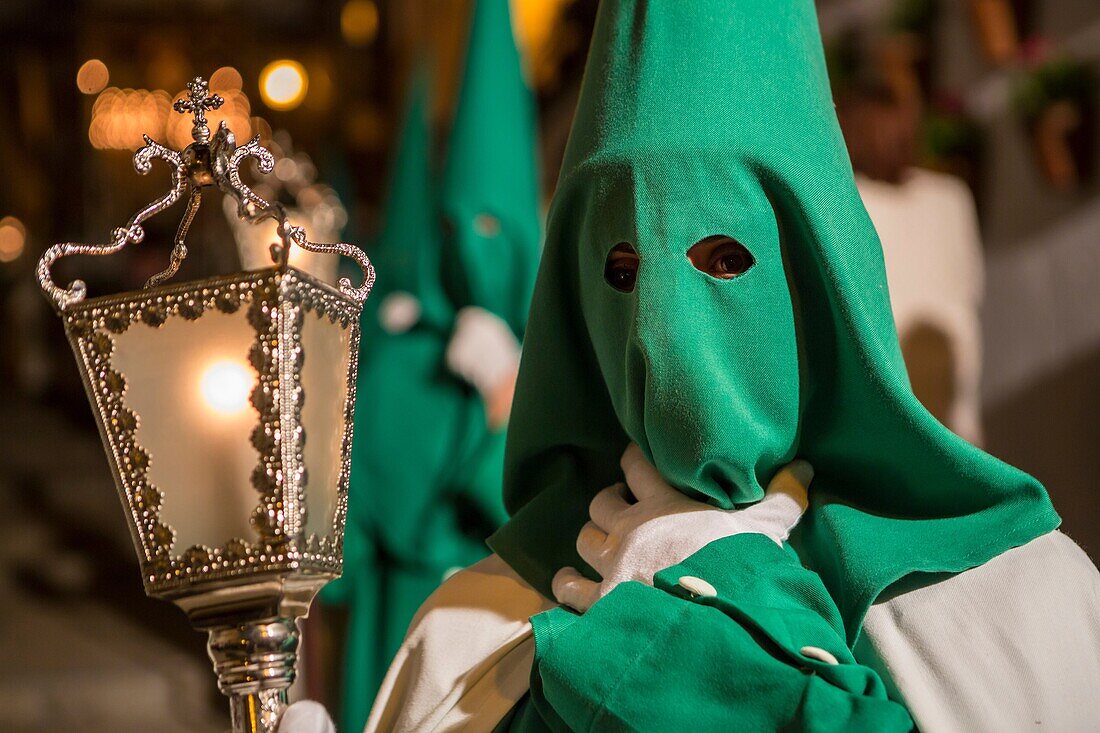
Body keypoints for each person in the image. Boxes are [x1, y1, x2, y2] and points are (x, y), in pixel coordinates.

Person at [284, 0, 1100, 730]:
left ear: (818, 278)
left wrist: (697, 632)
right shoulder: (467, 626)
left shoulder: (1017, 602)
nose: (658, 336)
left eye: (723, 259)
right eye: (622, 273)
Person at [315, 1, 542, 730]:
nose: (480, 250)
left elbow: (551, 513)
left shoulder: (556, 359)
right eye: (462, 229)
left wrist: (507, 397)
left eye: (496, 229)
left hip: (505, 631)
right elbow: (353, 518)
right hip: (400, 617)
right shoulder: (407, 361)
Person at [837, 82, 986, 444]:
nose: (897, 135)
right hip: (887, 405)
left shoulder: (948, 197)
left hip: (955, 400)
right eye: (879, 126)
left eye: (902, 123)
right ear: (854, 134)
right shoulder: (847, 204)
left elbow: (970, 288)